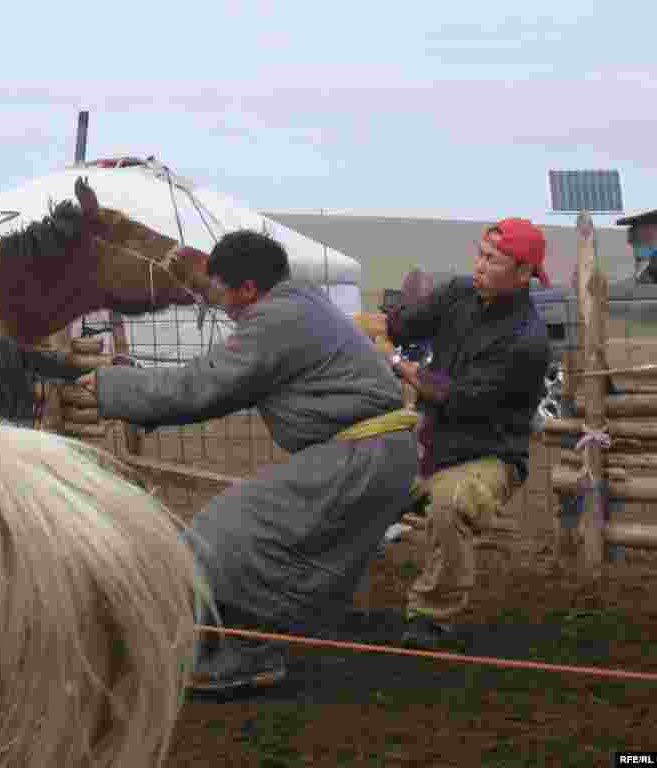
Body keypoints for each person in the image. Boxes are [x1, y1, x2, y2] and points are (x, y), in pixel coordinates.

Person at [76, 229, 419, 691]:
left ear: (248, 289)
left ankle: (250, 652)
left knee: (229, 537)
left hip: (361, 455)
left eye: (220, 292)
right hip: (371, 453)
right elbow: (212, 380)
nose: (218, 304)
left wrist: (108, 388)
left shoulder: (278, 319)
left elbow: (204, 386)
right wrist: (135, 383)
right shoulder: (299, 304)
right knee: (258, 537)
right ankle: (225, 638)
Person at [385, 217, 552, 649]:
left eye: (492, 259)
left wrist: (403, 368)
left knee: (452, 501)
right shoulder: (459, 292)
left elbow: (455, 396)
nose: (479, 264)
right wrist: (403, 313)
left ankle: (431, 616)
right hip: (428, 436)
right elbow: (403, 328)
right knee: (351, 479)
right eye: (479, 253)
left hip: (488, 453)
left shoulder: (525, 340)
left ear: (522, 274)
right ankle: (315, 586)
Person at [617, 209, 657, 283]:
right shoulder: (636, 230)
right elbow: (631, 240)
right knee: (643, 263)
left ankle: (641, 279)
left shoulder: (633, 230)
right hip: (645, 247)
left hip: (645, 247)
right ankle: (641, 279)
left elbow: (630, 240)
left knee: (643, 263)